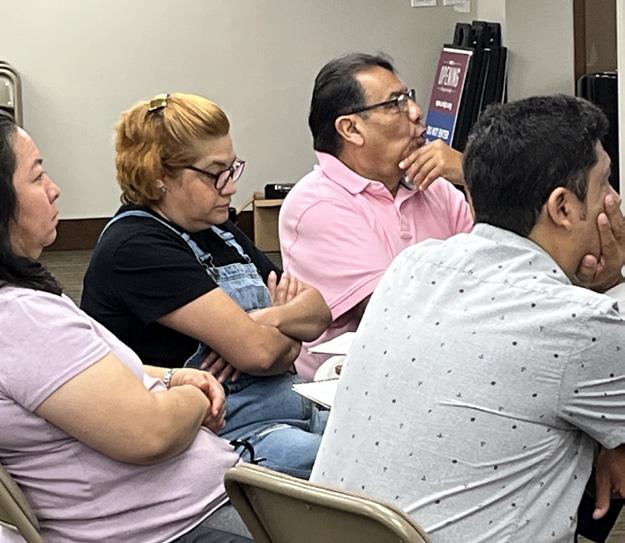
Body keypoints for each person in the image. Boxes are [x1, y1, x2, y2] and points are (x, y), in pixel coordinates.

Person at [310, 95, 625, 542]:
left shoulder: (412, 266)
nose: (615, 200)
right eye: (606, 183)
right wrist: (613, 282)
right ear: (562, 208)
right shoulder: (579, 324)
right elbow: (573, 346)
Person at [0, 116, 252, 542]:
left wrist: (172, 378)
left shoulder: (21, 305)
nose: (54, 189)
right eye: (37, 176)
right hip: (176, 526)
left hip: (188, 507)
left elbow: (70, 376)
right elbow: (150, 433)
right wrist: (196, 396)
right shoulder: (21, 318)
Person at [81, 93, 331, 479]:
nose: (230, 187)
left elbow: (317, 312)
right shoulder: (136, 247)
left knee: (390, 434)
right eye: (216, 173)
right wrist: (279, 330)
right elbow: (262, 355)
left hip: (293, 409)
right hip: (227, 439)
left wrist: (261, 320)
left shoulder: (217, 230)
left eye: (233, 169)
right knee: (357, 462)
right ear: (158, 176)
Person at [278, 52, 473, 380]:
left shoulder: (434, 186)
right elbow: (394, 311)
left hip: (446, 363)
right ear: (351, 129)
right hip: (356, 385)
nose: (416, 112)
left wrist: (471, 174)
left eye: (409, 97)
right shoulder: (316, 205)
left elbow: (500, 270)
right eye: (396, 103)